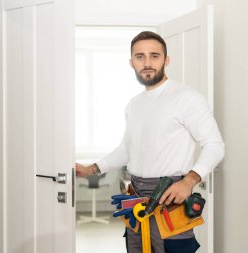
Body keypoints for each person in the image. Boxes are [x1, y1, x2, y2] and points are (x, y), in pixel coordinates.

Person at [76, 31, 225, 253]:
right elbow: (126, 149)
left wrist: (189, 181)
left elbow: (215, 145)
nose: (147, 63)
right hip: (136, 199)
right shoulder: (134, 104)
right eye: (140, 57)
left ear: (166, 60)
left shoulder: (186, 98)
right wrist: (91, 169)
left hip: (170, 198)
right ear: (131, 62)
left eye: (154, 56)